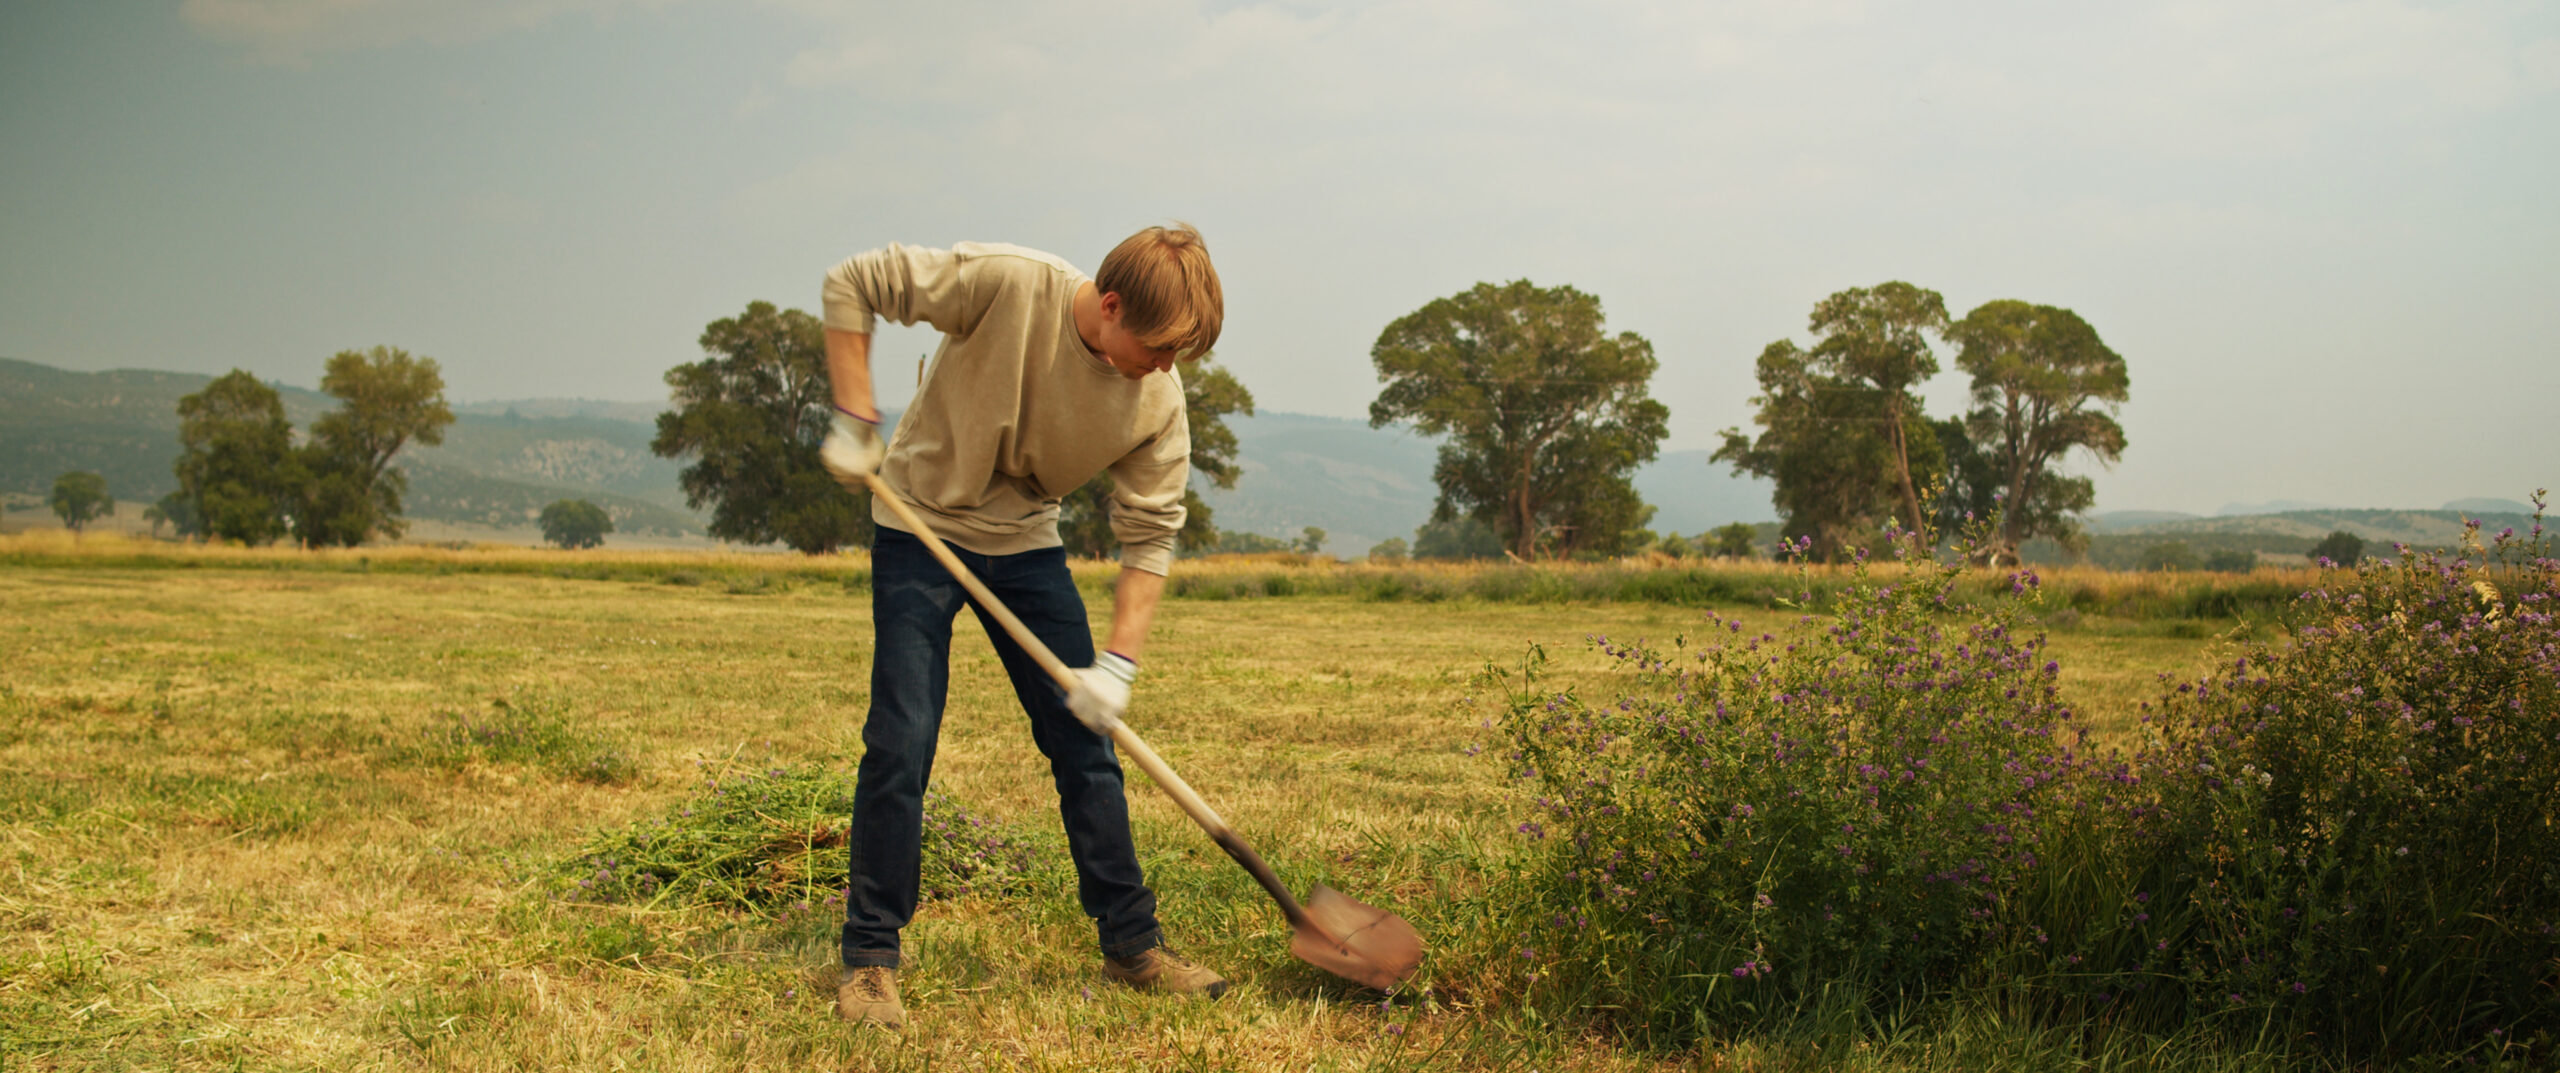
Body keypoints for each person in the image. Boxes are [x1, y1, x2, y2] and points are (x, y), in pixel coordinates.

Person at [815, 225, 1227, 1029]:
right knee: (901, 738)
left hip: (1027, 543)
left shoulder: (1157, 401)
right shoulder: (1007, 283)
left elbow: (1150, 535)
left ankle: (1132, 944)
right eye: (1158, 348)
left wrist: (1118, 668)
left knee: (1086, 747)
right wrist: (853, 411)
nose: (1166, 369)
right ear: (1109, 307)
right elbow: (852, 280)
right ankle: (870, 962)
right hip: (919, 525)